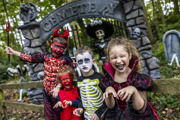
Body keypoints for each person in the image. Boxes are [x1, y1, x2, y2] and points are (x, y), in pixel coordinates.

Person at [5, 28, 74, 120]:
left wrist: (59, 86)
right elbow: (30, 58)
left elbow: (71, 75)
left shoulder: (66, 59)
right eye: (56, 46)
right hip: (46, 93)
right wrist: (13, 52)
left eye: (61, 48)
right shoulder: (46, 56)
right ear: (51, 45)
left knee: (59, 116)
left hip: (59, 94)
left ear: (64, 49)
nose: (58, 50)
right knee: (48, 116)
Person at [101, 38, 159, 120]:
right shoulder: (108, 80)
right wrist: (109, 91)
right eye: (114, 57)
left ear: (129, 55)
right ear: (109, 59)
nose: (118, 61)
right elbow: (110, 106)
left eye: (122, 56)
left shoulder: (137, 79)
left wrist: (134, 90)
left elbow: (141, 109)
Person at [73, 46, 108, 120]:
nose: (84, 64)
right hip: (88, 117)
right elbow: (81, 98)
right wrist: (81, 108)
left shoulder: (101, 78)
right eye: (80, 62)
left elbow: (108, 99)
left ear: (93, 61)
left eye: (86, 61)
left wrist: (99, 113)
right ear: (77, 65)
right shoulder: (79, 81)